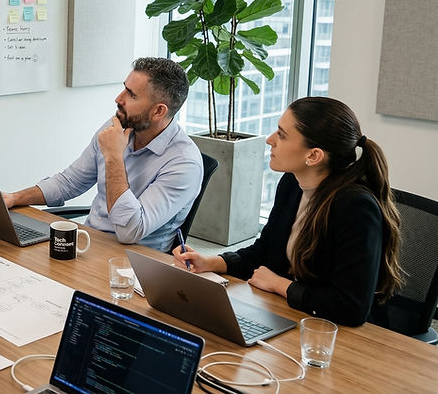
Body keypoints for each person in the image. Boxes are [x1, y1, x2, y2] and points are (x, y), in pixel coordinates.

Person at [172, 97, 402, 327]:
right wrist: (211, 262)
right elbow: (264, 252)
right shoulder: (291, 184)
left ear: (313, 156)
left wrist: (279, 284)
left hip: (337, 335)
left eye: (281, 135)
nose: (270, 140)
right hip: (290, 315)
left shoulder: (355, 207)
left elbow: (350, 307)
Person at [3, 57, 203, 252]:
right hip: (89, 245)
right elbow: (70, 182)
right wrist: (14, 198)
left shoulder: (184, 164)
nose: (118, 99)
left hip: (134, 265)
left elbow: (130, 231)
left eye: (131, 95)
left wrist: (114, 157)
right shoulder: (117, 127)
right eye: (124, 87)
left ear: (159, 111)